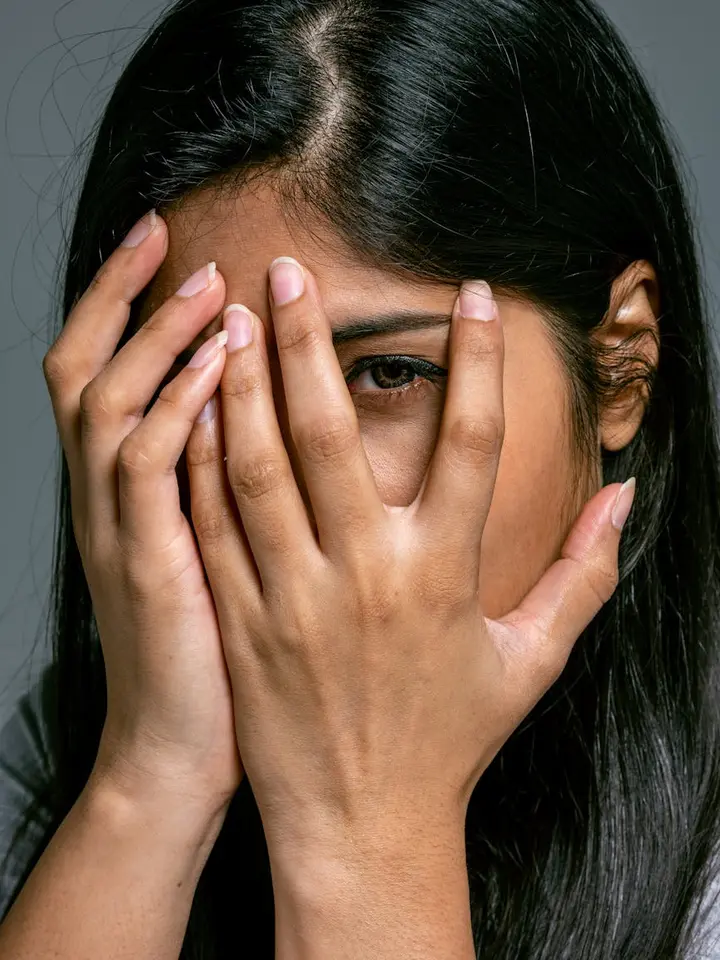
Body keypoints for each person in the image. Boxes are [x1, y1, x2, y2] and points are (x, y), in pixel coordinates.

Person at [1, 0, 720, 956]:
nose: (273, 479)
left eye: (388, 374)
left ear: (623, 365)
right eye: (204, 387)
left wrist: (368, 826)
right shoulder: (76, 750)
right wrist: (151, 779)